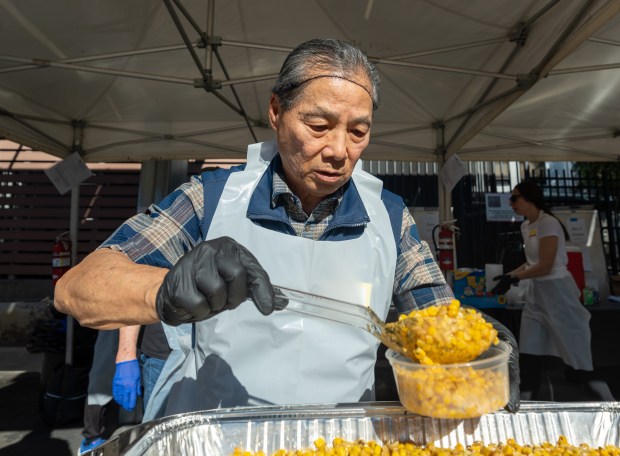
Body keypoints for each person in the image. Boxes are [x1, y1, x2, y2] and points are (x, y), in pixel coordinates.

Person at [54, 38, 519, 420]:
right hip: (219, 435)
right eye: (318, 125)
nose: (339, 150)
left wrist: (478, 349)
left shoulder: (390, 218)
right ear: (276, 111)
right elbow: (76, 289)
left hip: (339, 441)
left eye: (358, 132)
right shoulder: (211, 200)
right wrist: (164, 289)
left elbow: (435, 315)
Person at [491, 180, 614, 401]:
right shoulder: (525, 226)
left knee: (580, 358)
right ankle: (525, 399)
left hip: (558, 292)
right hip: (537, 294)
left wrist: (516, 276)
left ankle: (609, 403)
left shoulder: (549, 223)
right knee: (529, 351)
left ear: (530, 198)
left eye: (514, 198)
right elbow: (532, 263)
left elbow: (546, 265)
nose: (511, 203)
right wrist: (509, 275)